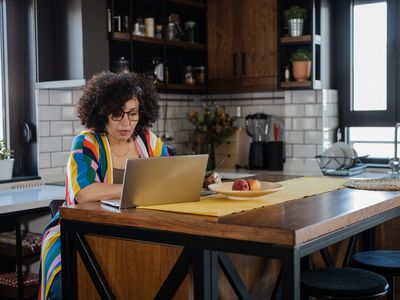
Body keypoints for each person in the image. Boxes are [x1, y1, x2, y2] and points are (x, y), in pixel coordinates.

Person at [38, 71, 172, 299]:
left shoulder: (147, 140)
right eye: (117, 114)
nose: (126, 122)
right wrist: (138, 188)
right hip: (77, 234)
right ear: (102, 113)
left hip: (129, 231)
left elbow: (171, 173)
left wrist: (202, 178)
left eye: (132, 114)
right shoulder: (87, 141)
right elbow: (85, 193)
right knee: (66, 287)